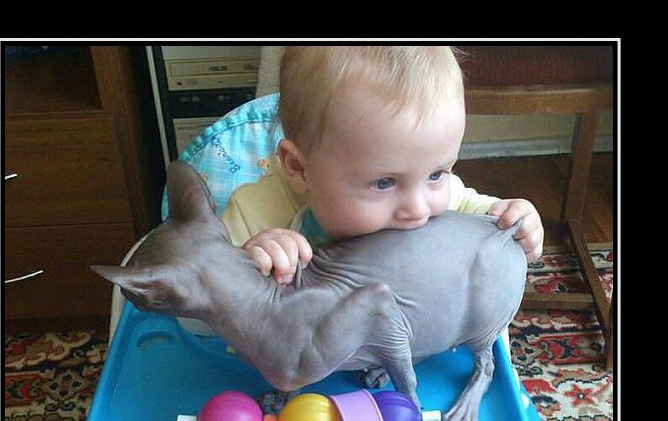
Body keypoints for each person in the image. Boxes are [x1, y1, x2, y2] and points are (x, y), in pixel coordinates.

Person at [221, 45, 544, 285]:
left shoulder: (444, 201)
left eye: (436, 174)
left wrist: (514, 221)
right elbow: (201, 308)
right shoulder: (255, 213)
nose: (417, 210)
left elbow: (485, 220)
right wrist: (248, 263)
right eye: (384, 183)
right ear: (299, 168)